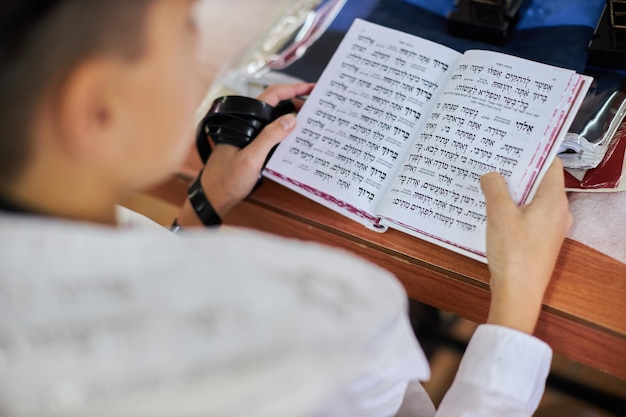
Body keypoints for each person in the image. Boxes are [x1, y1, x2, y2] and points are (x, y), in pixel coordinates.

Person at [0, 0, 572, 416]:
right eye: (185, 30)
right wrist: (516, 300)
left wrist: (203, 208)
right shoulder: (324, 311)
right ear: (98, 110)